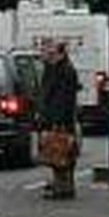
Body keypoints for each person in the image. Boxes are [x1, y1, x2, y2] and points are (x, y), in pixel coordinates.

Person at [37, 41, 81, 200]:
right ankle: (63, 185)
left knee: (60, 153)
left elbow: (61, 100)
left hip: (60, 120)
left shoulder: (64, 71)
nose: (48, 56)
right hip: (57, 118)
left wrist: (57, 121)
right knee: (59, 154)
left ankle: (63, 188)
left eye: (51, 53)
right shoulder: (56, 68)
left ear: (61, 54)